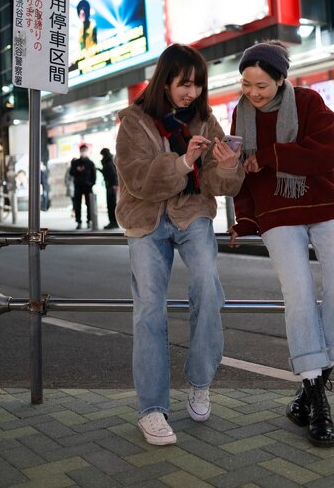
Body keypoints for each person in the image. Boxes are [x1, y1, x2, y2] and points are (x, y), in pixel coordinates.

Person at [228, 40, 334, 448]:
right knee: (298, 295)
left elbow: (324, 155)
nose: (253, 93)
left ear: (282, 79)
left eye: (262, 85)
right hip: (276, 211)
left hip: (326, 203)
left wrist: (269, 155)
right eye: (247, 84)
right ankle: (319, 402)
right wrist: (244, 219)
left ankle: (311, 386)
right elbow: (241, 175)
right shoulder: (240, 114)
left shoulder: (309, 102)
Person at [115, 43, 244, 446]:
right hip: (146, 218)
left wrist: (227, 166)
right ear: (165, 80)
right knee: (149, 307)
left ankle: (200, 381)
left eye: (198, 85)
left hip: (192, 213)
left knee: (208, 286)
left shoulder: (207, 121)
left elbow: (221, 186)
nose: (191, 92)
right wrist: (184, 162)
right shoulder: (134, 121)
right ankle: (151, 408)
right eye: (184, 84)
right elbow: (138, 181)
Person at [70, 144, 96, 229]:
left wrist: (91, 183)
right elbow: (71, 173)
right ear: (80, 151)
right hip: (78, 186)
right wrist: (77, 170)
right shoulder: (76, 162)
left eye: (85, 150)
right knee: (77, 204)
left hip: (88, 187)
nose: (83, 152)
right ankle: (78, 221)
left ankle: (89, 221)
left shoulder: (90, 163)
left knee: (89, 204)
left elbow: (94, 175)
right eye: (82, 151)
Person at [99, 148, 119, 229]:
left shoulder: (109, 161)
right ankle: (113, 222)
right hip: (110, 185)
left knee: (111, 205)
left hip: (111, 186)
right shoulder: (109, 160)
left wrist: (114, 184)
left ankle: (113, 222)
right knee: (111, 204)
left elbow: (113, 174)